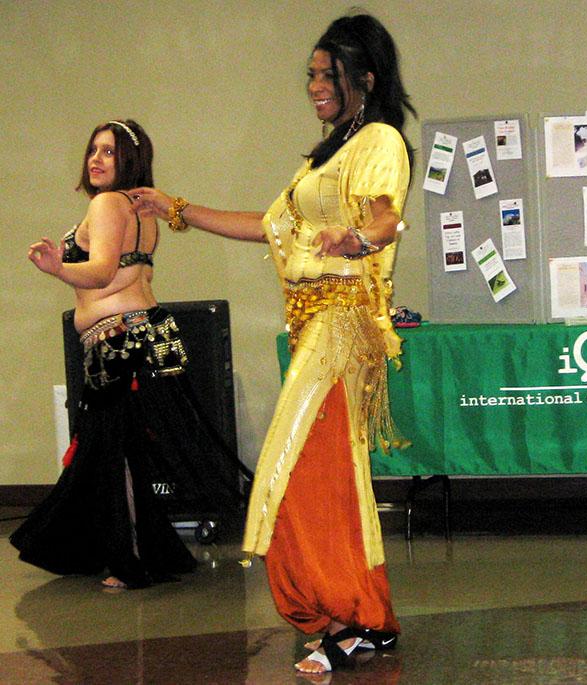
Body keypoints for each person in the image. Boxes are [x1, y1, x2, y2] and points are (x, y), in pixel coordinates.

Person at [130, 13, 414, 675]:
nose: (314, 85)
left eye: (328, 74)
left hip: (343, 324)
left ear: (363, 79)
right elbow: (268, 227)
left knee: (302, 473)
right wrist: (175, 208)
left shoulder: (379, 141)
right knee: (320, 478)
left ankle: (354, 617)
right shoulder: (323, 158)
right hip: (312, 327)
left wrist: (364, 240)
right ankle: (355, 615)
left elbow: (386, 214)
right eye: (311, 75)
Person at [12, 119, 246, 590]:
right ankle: (140, 549)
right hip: (151, 332)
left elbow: (99, 274)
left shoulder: (105, 205)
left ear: (129, 161)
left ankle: (131, 558)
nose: (97, 160)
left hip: (117, 338)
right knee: (126, 447)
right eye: (94, 150)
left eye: (110, 153)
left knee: (111, 450)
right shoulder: (142, 211)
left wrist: (58, 268)